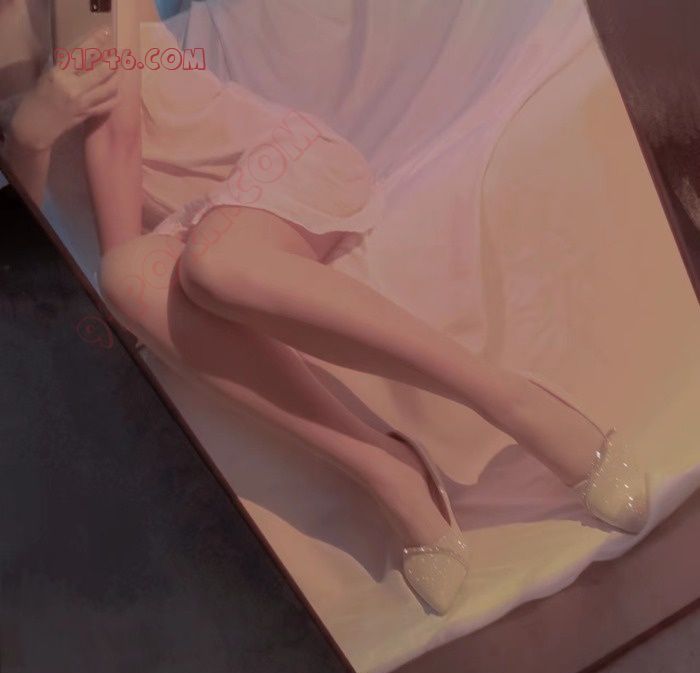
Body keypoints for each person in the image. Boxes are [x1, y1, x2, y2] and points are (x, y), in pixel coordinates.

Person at [0, 0, 648, 615]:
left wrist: (124, 281)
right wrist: (26, 139)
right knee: (136, 276)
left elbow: (115, 137)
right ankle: (390, 472)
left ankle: (515, 402)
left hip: (271, 169)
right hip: (176, 231)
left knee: (209, 266)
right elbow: (21, 221)